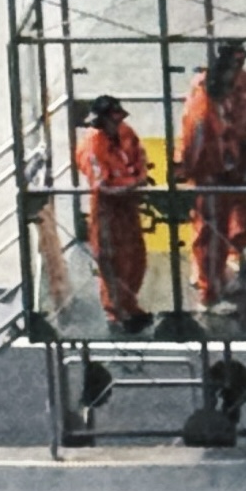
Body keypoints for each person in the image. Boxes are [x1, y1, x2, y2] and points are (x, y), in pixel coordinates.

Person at [174, 39, 246, 304]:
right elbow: (193, 137)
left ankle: (224, 266)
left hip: (234, 158)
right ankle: (208, 287)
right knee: (209, 229)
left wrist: (241, 152)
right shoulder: (204, 96)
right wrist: (188, 168)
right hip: (211, 170)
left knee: (235, 216)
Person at [73, 95, 152, 331]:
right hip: (107, 210)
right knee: (111, 260)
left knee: (136, 257)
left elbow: (140, 157)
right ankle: (116, 313)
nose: (117, 124)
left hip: (129, 204)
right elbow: (102, 186)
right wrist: (131, 185)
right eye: (112, 120)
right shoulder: (91, 147)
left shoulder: (126, 132)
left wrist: (138, 180)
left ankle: (130, 305)